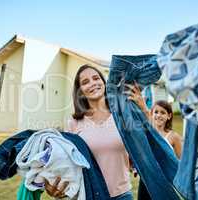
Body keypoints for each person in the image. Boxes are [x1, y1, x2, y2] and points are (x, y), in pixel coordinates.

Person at [45, 64, 133, 200]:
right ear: (80, 91)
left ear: (103, 82)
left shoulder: (120, 116)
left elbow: (139, 148)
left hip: (122, 195)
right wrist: (54, 186)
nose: (93, 83)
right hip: (89, 195)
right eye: (85, 82)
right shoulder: (73, 123)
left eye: (96, 78)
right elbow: (66, 162)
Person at [126, 83, 182, 200]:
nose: (158, 115)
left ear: (169, 116)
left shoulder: (173, 137)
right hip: (147, 180)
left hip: (165, 181)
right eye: (156, 112)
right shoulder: (148, 133)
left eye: (163, 113)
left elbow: (179, 163)